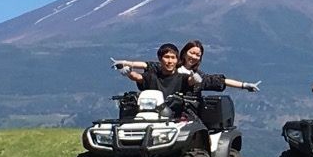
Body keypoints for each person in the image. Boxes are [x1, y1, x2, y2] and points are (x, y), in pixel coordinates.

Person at [112, 39, 261, 92]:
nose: (194, 57)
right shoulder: (162, 69)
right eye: (192, 52)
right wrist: (125, 65)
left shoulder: (196, 76)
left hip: (185, 112)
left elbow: (222, 80)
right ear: (184, 53)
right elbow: (142, 71)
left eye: (198, 55)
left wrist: (244, 85)